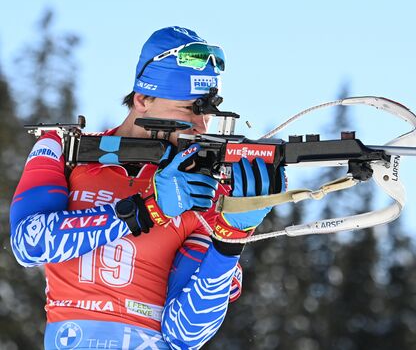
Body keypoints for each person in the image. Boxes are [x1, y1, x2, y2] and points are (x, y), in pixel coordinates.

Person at [10, 26, 285, 350]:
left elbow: (185, 333)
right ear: (142, 99)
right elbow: (29, 243)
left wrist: (231, 240)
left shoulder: (205, 191)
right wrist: (147, 209)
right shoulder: (66, 147)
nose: (200, 126)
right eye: (189, 109)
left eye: (207, 113)